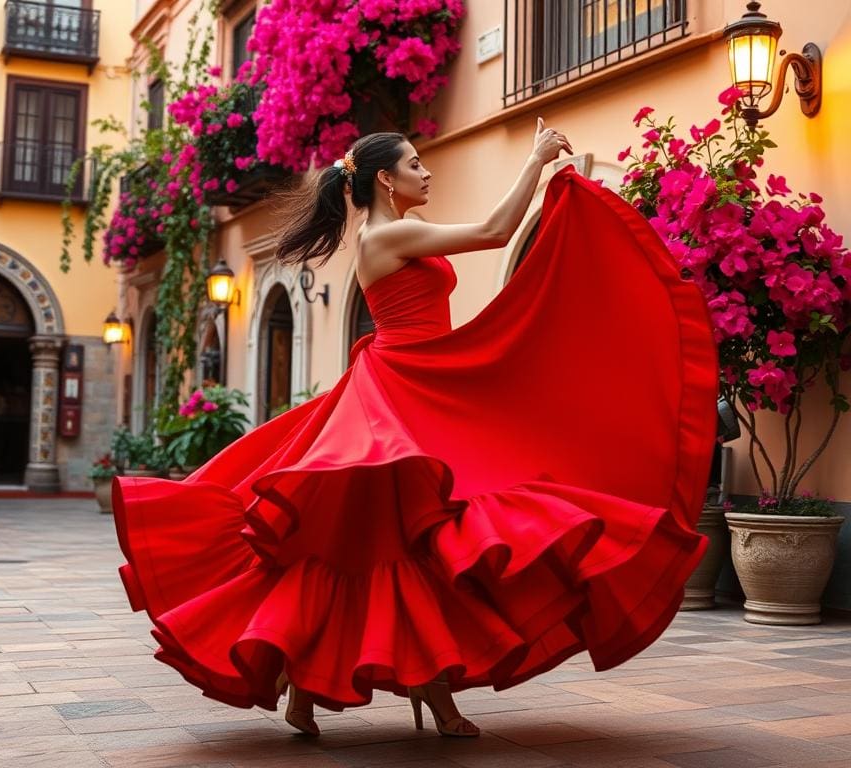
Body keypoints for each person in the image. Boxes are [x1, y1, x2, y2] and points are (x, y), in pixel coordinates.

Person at [111, 120, 718, 739]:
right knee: (409, 539)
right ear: (385, 178)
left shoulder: (386, 233)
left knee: (390, 543)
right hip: (404, 390)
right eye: (415, 164)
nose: (426, 172)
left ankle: (317, 693)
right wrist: (535, 162)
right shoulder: (393, 233)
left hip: (419, 379)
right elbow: (495, 232)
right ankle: (412, 697)